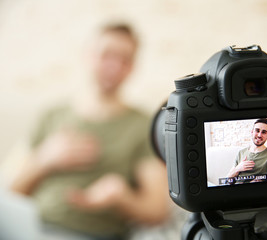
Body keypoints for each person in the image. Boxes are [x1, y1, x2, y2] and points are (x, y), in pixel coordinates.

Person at [10, 23, 169, 240]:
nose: (114, 66)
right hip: (31, 225)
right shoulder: (52, 115)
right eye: (107, 55)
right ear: (88, 55)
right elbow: (11, 193)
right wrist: (44, 160)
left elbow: (157, 211)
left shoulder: (144, 126)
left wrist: (121, 196)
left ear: (132, 67)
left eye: (125, 59)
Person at [226, 118, 267, 183]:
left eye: (264, 132)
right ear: (252, 132)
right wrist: (237, 169)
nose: (259, 135)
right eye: (257, 131)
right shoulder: (241, 152)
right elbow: (228, 181)